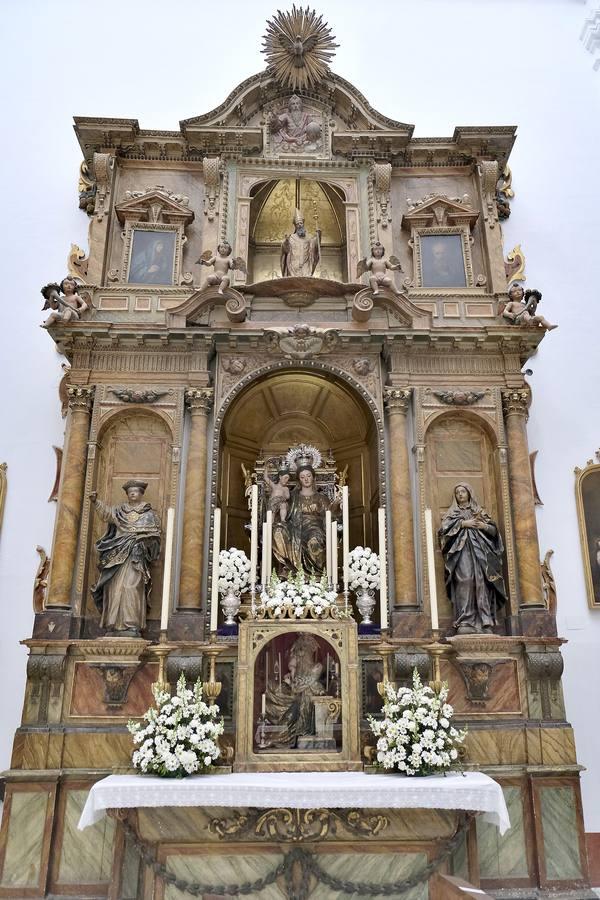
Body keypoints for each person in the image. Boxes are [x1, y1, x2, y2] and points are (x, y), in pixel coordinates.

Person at [89, 480, 161, 635]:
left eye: (135, 491)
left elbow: (155, 539)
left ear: (141, 494)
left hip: (135, 558)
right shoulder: (119, 511)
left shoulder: (149, 515)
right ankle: (113, 623)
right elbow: (107, 514)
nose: (133, 494)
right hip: (116, 556)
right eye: (130, 492)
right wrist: (96, 502)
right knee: (114, 589)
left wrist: (143, 541)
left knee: (131, 588)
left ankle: (132, 623)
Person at [438, 483, 507, 635]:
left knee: (481, 582)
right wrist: (463, 524)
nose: (460, 494)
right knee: (465, 580)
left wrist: (483, 526)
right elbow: (443, 531)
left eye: (463, 491)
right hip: (461, 551)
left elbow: (494, 531)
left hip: (481, 552)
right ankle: (466, 620)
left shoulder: (478, 511)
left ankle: (485, 620)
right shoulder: (452, 513)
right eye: (457, 492)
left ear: (469, 493)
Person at [263, 634, 325, 748]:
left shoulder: (317, 667)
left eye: (300, 653)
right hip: (295, 695)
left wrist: (292, 683)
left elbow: (303, 684)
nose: (297, 657)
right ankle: (276, 736)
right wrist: (290, 680)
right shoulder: (294, 669)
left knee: (293, 711)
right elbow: (295, 683)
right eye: (296, 653)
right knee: (275, 690)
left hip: (305, 702)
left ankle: (278, 737)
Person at [272, 463, 331, 576]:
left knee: (314, 539)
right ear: (299, 480)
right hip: (295, 526)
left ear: (313, 477)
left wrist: (338, 505)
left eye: (308, 476)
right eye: (302, 477)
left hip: (315, 528)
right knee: (278, 531)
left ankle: (315, 574)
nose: (306, 479)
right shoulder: (292, 496)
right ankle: (289, 568)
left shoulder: (322, 498)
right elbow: (282, 509)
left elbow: (331, 516)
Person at [280, 208, 321, 277]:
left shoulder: (309, 238)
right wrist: (286, 242)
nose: (299, 225)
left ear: (303, 224)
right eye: (297, 224)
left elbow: (315, 248)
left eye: (301, 223)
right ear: (295, 226)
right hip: (293, 267)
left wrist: (319, 236)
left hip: (305, 267)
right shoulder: (291, 238)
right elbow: (285, 250)